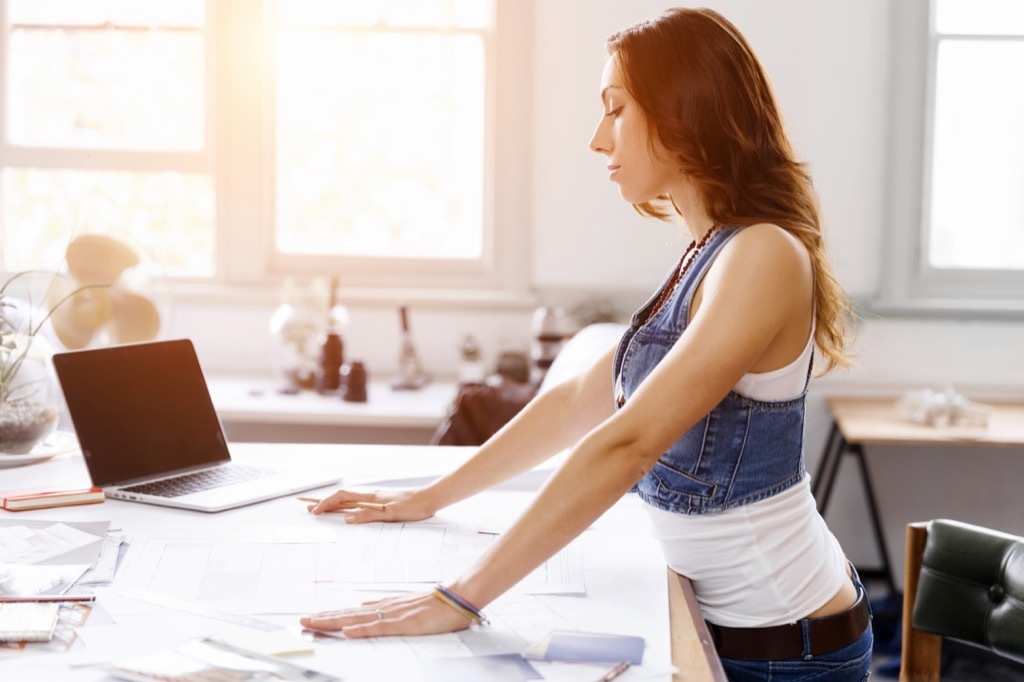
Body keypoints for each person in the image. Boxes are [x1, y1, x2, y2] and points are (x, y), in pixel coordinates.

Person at [300, 7, 872, 680]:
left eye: (617, 108)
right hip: (723, 625)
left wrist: (460, 597)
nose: (598, 139)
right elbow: (579, 398)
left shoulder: (764, 255)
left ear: (685, 110)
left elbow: (628, 443)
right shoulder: (704, 254)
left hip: (786, 646)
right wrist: (430, 495)